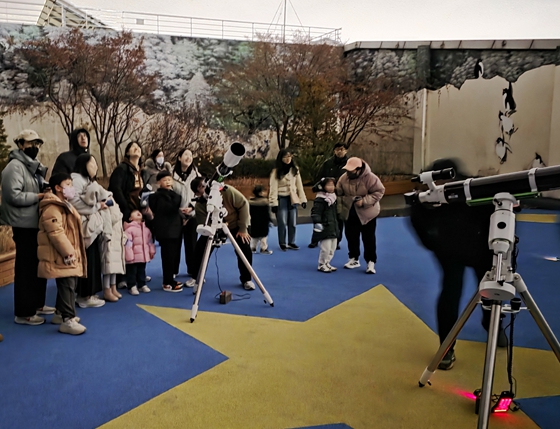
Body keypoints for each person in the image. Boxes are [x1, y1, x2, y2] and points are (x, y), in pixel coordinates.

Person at [409, 159, 507, 370]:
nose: (439, 187)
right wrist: (437, 247)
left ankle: (492, 323)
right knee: (450, 293)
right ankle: (446, 347)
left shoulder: (475, 190)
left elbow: (499, 214)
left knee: (490, 289)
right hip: (449, 251)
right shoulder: (424, 200)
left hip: (483, 248)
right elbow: (419, 225)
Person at [1, 129, 53, 325]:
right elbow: (12, 195)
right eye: (30, 143)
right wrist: (38, 196)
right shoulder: (14, 167)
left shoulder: (32, 166)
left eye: (37, 143)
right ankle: (24, 312)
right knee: (26, 269)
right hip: (23, 225)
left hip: (34, 223)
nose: (34, 147)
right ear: (21, 144)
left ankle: (37, 304)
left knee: (37, 265)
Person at [37, 173, 87, 335]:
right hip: (61, 255)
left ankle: (60, 313)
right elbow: (56, 233)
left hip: (67, 253)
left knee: (70, 283)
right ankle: (68, 320)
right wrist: (68, 252)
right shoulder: (52, 207)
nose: (71, 188)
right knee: (67, 285)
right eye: (68, 184)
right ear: (58, 187)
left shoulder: (64, 204)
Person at [186, 176, 255, 291]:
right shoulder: (200, 205)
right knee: (201, 248)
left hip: (236, 224)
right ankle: (196, 277)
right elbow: (204, 224)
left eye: (205, 184)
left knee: (244, 247)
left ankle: (246, 279)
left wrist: (243, 228)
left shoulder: (227, 191)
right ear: (197, 193)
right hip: (214, 227)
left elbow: (243, 205)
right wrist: (217, 228)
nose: (205, 187)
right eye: (201, 187)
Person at [69, 154, 106, 308]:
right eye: (92, 164)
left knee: (92, 260)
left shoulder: (86, 180)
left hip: (91, 227)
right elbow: (74, 203)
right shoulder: (76, 180)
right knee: (87, 260)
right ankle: (84, 295)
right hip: (84, 228)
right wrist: (97, 206)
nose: (95, 167)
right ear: (83, 164)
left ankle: (89, 293)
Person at [336, 157, 385, 274]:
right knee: (351, 236)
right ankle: (353, 258)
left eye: (351, 170)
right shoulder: (343, 178)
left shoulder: (371, 178)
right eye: (347, 170)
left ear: (359, 169)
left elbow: (379, 191)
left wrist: (364, 201)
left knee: (368, 238)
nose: (348, 172)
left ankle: (371, 262)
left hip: (368, 213)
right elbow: (339, 193)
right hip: (350, 212)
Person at [148, 170, 184, 292]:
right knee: (167, 256)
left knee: (173, 255)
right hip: (165, 230)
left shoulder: (175, 195)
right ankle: (167, 282)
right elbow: (167, 208)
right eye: (164, 180)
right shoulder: (155, 197)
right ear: (159, 182)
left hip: (175, 229)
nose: (168, 182)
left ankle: (170, 279)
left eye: (169, 179)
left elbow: (176, 203)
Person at [309, 142, 349, 248]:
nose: (340, 151)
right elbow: (319, 177)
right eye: (337, 149)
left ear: (346, 151)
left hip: (340, 195)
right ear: (334, 151)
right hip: (325, 194)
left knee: (338, 219)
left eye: (342, 149)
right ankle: (315, 239)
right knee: (320, 216)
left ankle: (337, 240)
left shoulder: (348, 164)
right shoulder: (327, 163)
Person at [269, 149, 307, 251]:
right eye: (285, 157)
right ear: (281, 158)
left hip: (292, 198)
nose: (287, 159)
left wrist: (303, 199)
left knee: (293, 222)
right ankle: (282, 242)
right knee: (282, 222)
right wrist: (273, 203)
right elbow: (273, 187)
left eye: (289, 156)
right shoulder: (276, 171)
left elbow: (299, 185)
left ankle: (291, 242)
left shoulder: (295, 169)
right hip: (281, 198)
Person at [172, 148, 201, 277]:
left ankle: (193, 270)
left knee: (192, 244)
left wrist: (192, 208)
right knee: (175, 244)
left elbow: (200, 194)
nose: (188, 157)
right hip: (175, 214)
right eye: (186, 155)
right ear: (179, 157)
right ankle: (173, 271)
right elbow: (168, 194)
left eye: (190, 155)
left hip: (192, 215)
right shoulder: (171, 174)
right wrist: (176, 209)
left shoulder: (197, 175)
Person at [108, 142, 144, 225]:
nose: (136, 148)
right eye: (133, 146)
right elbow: (115, 189)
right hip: (126, 213)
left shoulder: (141, 172)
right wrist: (126, 209)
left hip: (139, 211)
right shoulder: (122, 169)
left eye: (138, 146)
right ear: (127, 153)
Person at [124, 209, 156, 295]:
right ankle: (132, 286)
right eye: (134, 213)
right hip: (133, 256)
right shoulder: (129, 230)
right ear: (130, 218)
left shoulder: (146, 229)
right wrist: (129, 256)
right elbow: (128, 244)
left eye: (139, 212)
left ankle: (142, 284)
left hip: (143, 255)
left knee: (142, 270)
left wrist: (151, 251)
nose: (138, 212)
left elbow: (150, 241)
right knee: (132, 272)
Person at [311, 177, 339, 273]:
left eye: (332, 185)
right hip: (325, 226)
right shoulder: (320, 199)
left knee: (332, 248)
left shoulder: (333, 198)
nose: (331, 187)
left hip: (333, 226)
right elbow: (316, 212)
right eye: (328, 185)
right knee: (325, 248)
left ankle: (327, 262)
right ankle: (321, 264)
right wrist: (317, 222)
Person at [249, 185, 273, 255]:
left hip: (253, 222)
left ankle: (252, 248)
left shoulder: (251, 202)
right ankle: (263, 248)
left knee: (254, 236)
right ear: (260, 193)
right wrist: (269, 220)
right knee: (263, 237)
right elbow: (267, 213)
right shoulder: (265, 202)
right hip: (263, 223)